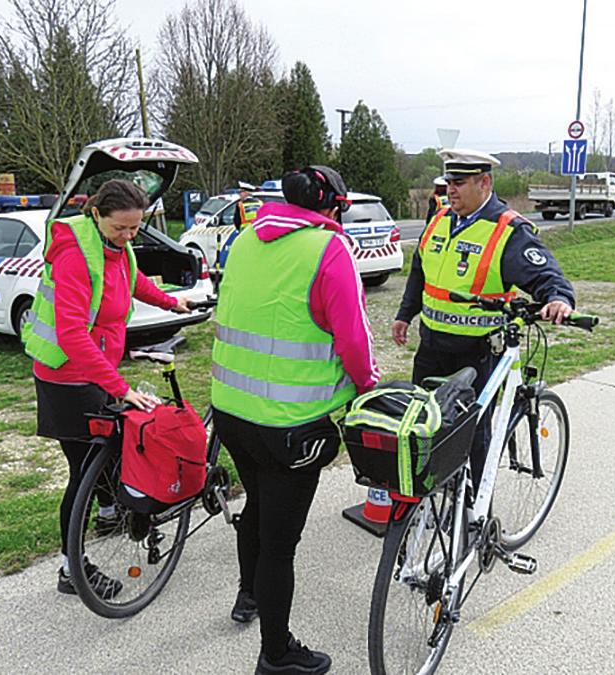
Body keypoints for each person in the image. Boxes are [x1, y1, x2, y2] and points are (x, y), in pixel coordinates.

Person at [211, 166, 379, 675]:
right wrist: (370, 387)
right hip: (293, 423)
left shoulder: (244, 239)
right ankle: (277, 653)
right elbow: (353, 339)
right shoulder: (328, 250)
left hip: (230, 410)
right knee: (281, 544)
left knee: (256, 508)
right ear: (334, 206)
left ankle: (248, 596)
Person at [23, 178, 191, 597]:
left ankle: (109, 511)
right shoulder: (76, 256)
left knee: (107, 451)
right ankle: (70, 568)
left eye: (136, 228)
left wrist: (175, 302)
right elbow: (72, 334)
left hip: (94, 370)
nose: (130, 235)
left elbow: (133, 282)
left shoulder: (115, 247)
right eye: (122, 228)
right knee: (82, 471)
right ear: (96, 214)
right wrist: (120, 387)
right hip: (67, 376)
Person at [392, 149, 574, 488]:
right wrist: (405, 314)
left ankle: (476, 506)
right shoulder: (439, 220)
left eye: (459, 183)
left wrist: (558, 298)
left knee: (471, 432)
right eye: (448, 182)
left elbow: (545, 273)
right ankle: (429, 496)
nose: (451, 190)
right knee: (425, 423)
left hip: (476, 352)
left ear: (484, 182)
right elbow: (420, 271)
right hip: (432, 345)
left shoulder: (507, 230)